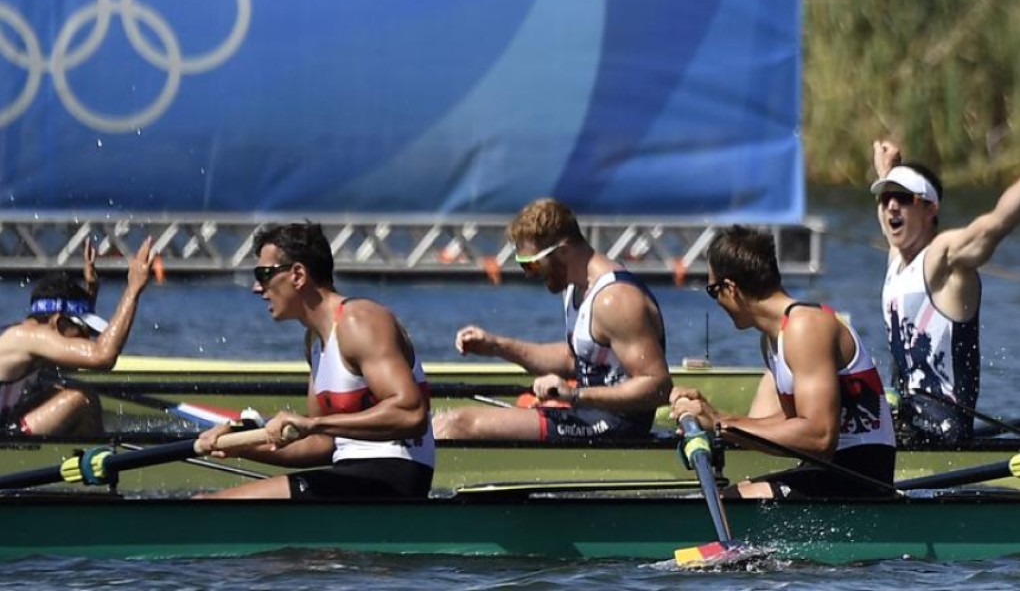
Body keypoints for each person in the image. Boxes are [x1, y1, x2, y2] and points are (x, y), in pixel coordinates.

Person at [195, 222, 434, 499]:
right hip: (350, 475)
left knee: (205, 506)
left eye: (263, 274)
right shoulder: (314, 342)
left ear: (297, 275)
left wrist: (313, 424)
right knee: (204, 504)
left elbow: (411, 413)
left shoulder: (360, 321)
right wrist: (240, 445)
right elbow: (321, 444)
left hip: (394, 476)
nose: (256, 288)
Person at [670, 226, 895, 499]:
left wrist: (720, 424)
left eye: (713, 290)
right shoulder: (771, 340)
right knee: (714, 498)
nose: (716, 302)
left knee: (722, 503)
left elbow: (818, 437)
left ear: (731, 289)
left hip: (861, 476)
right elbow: (793, 424)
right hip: (829, 472)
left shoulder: (806, 327)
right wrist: (717, 418)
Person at [433, 198, 672, 442]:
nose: (529, 275)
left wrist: (575, 394)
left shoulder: (615, 299)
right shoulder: (575, 288)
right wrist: (497, 346)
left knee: (456, 425)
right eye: (523, 266)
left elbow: (658, 387)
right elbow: (571, 359)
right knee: (440, 421)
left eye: (533, 265)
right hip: (586, 413)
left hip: (615, 425)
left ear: (564, 250)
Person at [872, 140, 1020, 444]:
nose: (891, 206)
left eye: (902, 197)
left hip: (944, 435)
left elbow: (995, 223)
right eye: (885, 198)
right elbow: (890, 208)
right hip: (904, 426)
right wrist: (887, 169)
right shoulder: (897, 258)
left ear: (930, 208)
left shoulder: (945, 259)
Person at [0, 237, 155, 436]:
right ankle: (96, 463)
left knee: (57, 386)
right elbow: (103, 356)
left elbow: (76, 342)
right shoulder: (30, 337)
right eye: (82, 329)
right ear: (57, 322)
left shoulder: (26, 336)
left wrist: (91, 290)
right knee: (81, 398)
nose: (85, 339)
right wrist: (133, 288)